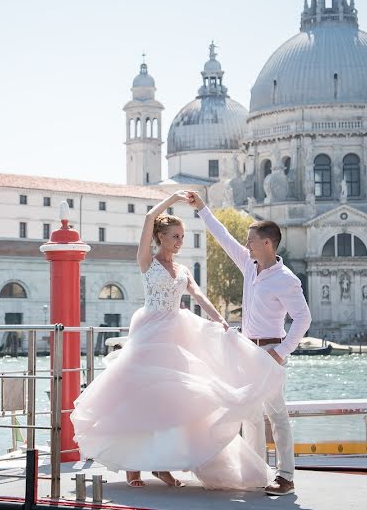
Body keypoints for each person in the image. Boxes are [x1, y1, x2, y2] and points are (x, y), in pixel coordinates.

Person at [71, 191, 286, 490]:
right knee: (141, 400)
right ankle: (133, 468)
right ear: (160, 236)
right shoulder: (147, 261)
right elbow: (148, 217)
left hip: (177, 334)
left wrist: (220, 320)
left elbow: (198, 296)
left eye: (182, 236)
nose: (180, 241)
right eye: (175, 236)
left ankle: (162, 465)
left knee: (173, 402)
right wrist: (172, 199)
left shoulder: (184, 269)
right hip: (149, 334)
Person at [190, 190, 311, 496]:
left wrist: (281, 352)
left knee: (277, 414)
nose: (246, 244)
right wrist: (202, 208)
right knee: (250, 414)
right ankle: (258, 472)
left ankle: (286, 476)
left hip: (270, 350)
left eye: (252, 240)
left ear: (267, 243)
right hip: (246, 348)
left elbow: (303, 318)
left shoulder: (285, 278)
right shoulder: (249, 264)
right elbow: (223, 235)